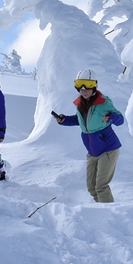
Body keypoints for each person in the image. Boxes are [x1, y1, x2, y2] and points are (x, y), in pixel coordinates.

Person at [53, 69, 124, 203]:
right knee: (92, 188)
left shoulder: (104, 103)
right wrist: (64, 120)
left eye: (88, 86)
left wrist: (111, 117)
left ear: (94, 86)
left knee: (101, 186)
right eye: (80, 86)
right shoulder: (80, 103)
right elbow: (81, 120)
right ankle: (102, 209)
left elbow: (120, 120)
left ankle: (108, 212)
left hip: (108, 149)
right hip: (93, 152)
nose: (84, 90)